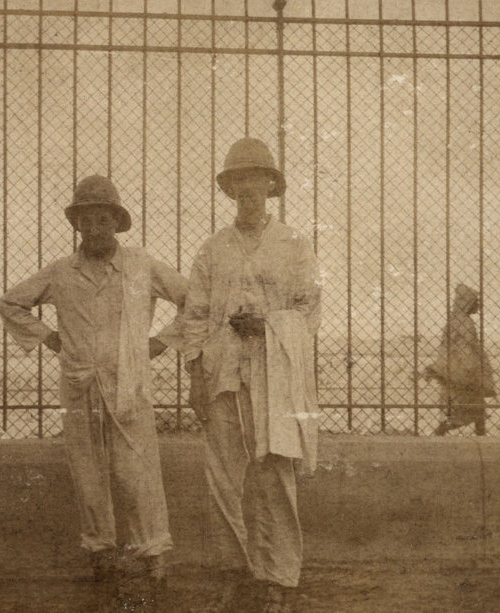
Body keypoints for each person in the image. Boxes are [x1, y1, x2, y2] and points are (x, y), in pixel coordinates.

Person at [0, 175, 188, 611]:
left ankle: (154, 556)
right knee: (88, 470)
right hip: (80, 383)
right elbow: (11, 303)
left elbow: (193, 300)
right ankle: (102, 553)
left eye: (105, 218)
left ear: (118, 223)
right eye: (88, 218)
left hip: (129, 384)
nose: (97, 227)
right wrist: (48, 337)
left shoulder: (142, 265)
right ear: (78, 224)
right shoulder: (62, 272)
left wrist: (162, 341)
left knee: (135, 470)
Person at [183, 137, 320, 613]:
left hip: (273, 375)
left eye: (255, 179)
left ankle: (279, 576)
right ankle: (237, 573)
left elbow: (308, 309)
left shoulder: (293, 246)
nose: (247, 189)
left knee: (274, 471)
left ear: (270, 185)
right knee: (224, 477)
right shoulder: (212, 249)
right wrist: (196, 377)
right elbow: (195, 316)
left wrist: (268, 324)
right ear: (229, 188)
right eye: (238, 180)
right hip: (222, 373)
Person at [423, 284, 496, 436]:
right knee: (470, 409)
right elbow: (466, 348)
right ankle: (442, 433)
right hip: (465, 373)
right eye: (475, 302)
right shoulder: (465, 323)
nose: (478, 305)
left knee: (474, 409)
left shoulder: (455, 320)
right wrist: (473, 369)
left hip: (456, 370)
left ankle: (479, 435)